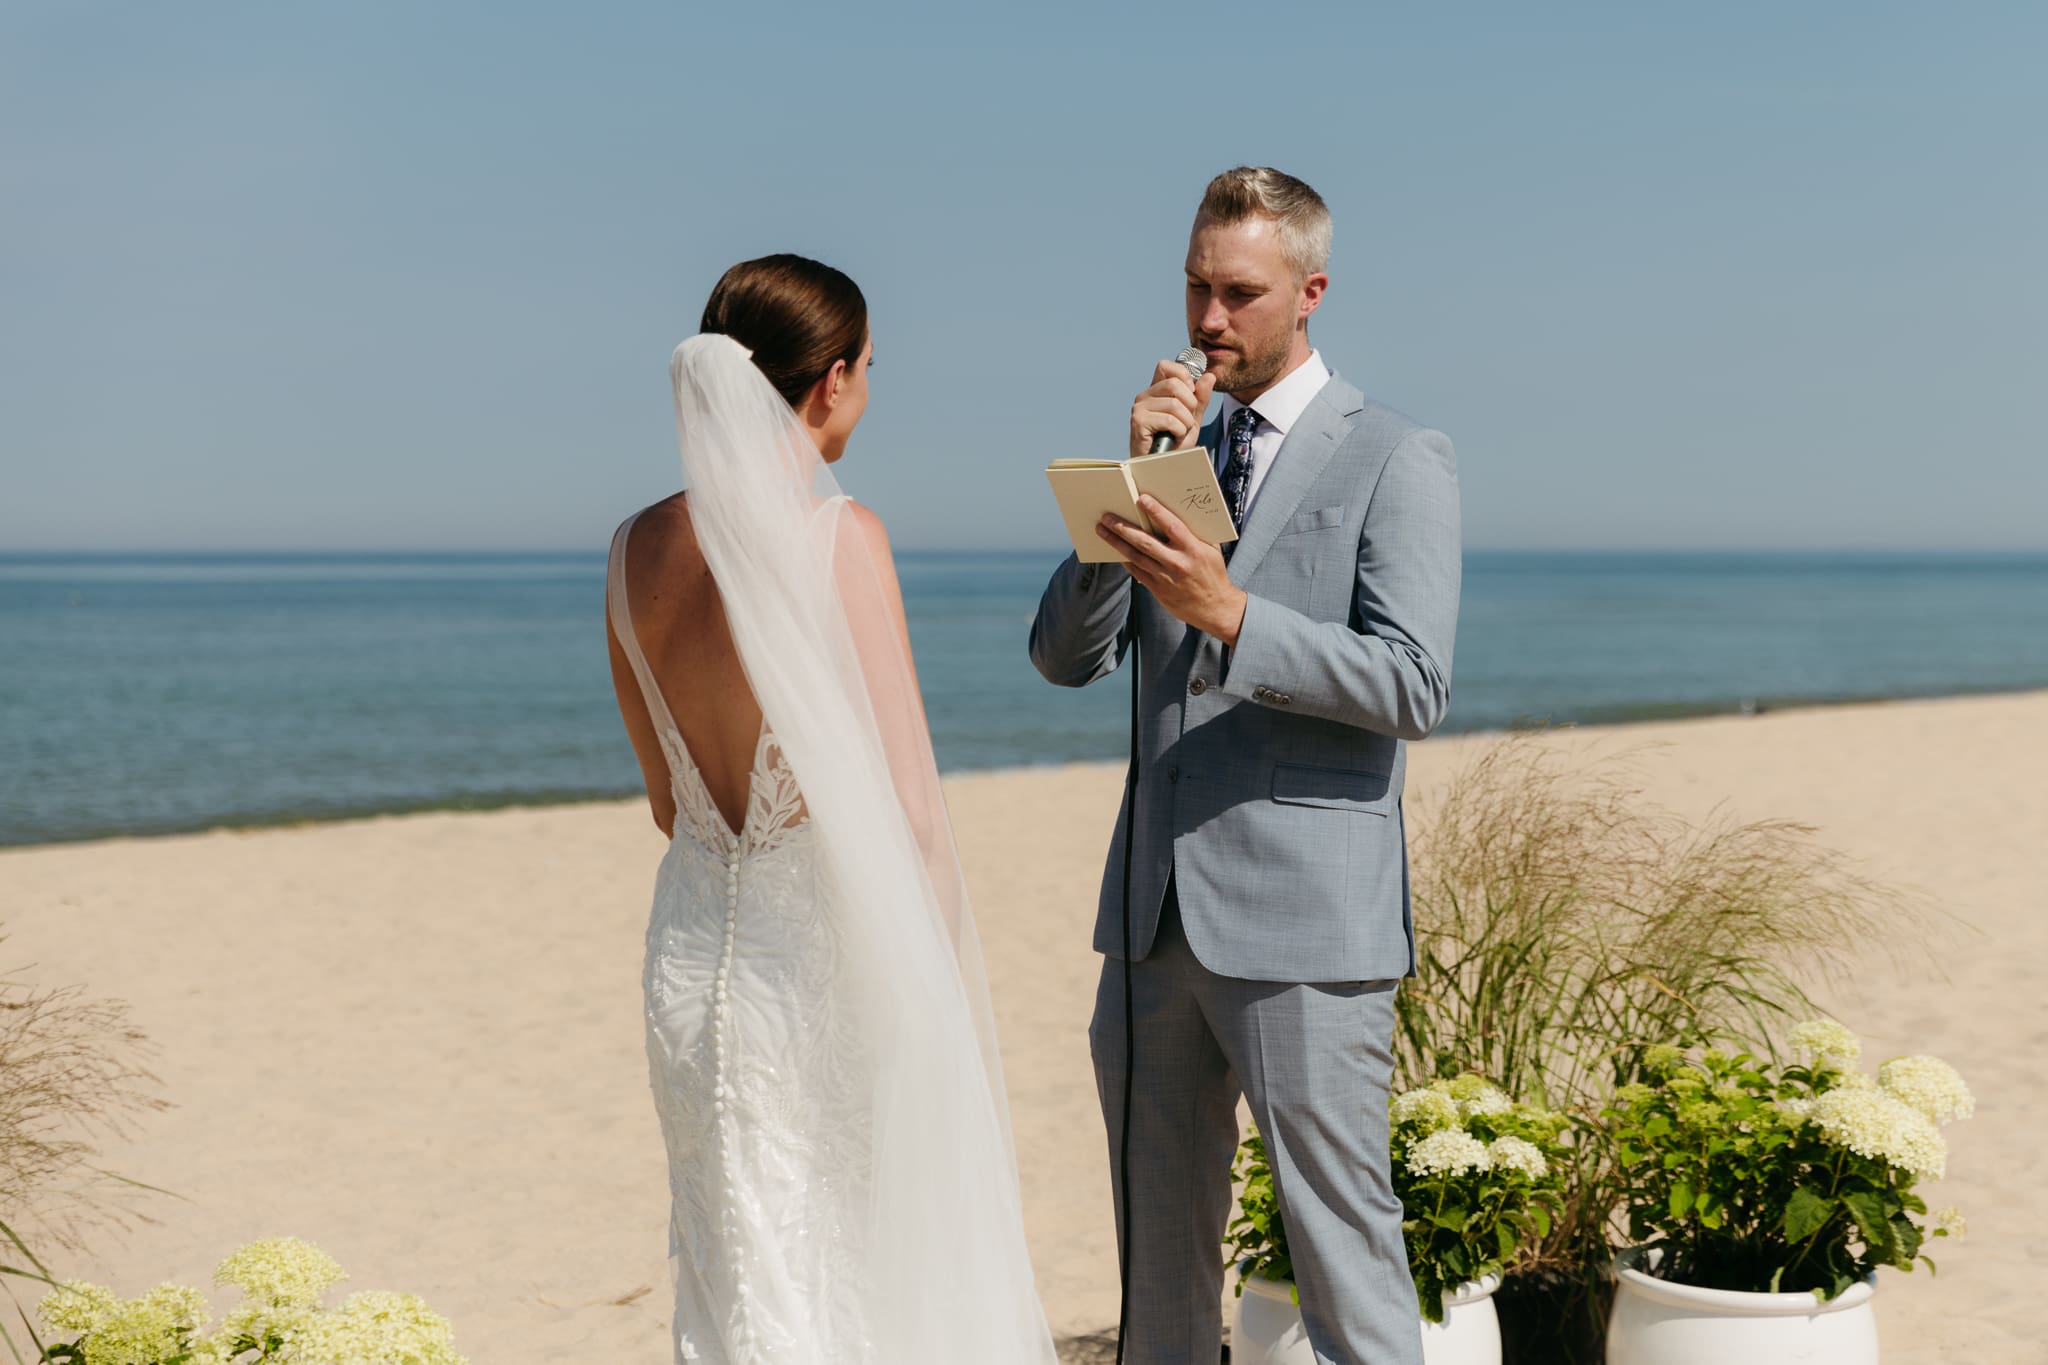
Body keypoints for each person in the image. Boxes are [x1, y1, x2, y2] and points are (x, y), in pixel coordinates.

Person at [1029, 168, 1463, 1364]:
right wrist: (1122, 494)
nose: (1205, 322)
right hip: (1150, 918)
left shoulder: (1395, 455)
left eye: (1238, 294)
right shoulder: (1177, 450)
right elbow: (1065, 658)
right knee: (1153, 1260)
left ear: (1309, 292)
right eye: (1193, 288)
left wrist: (1232, 616)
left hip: (1307, 925)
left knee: (1341, 1249)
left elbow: (1412, 687)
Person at [608, 255, 1056, 1364]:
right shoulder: (836, 537)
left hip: (691, 962)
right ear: (833, 380)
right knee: (854, 1255)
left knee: (741, 1254)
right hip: (818, 964)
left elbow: (669, 804)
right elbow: (910, 814)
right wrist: (942, 994)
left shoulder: (632, 551)